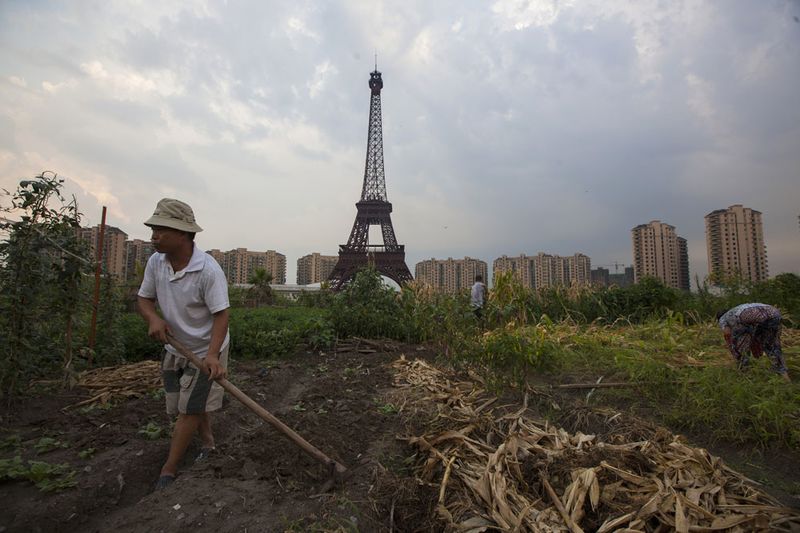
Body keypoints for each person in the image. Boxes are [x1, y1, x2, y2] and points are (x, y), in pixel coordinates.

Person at [136, 198, 231, 490]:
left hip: (206, 349)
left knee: (188, 410)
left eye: (160, 230)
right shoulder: (156, 262)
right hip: (175, 347)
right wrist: (153, 318)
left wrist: (213, 355)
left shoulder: (208, 271)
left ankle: (169, 469)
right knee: (182, 404)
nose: (153, 237)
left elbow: (222, 315)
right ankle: (208, 443)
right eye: (153, 230)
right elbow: (144, 298)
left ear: (182, 234)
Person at [716, 303, 790, 382]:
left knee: (740, 348)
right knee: (772, 347)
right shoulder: (736, 309)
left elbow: (727, 333)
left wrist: (734, 346)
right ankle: (785, 378)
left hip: (747, 315)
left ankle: (745, 375)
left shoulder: (723, 318)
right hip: (774, 313)